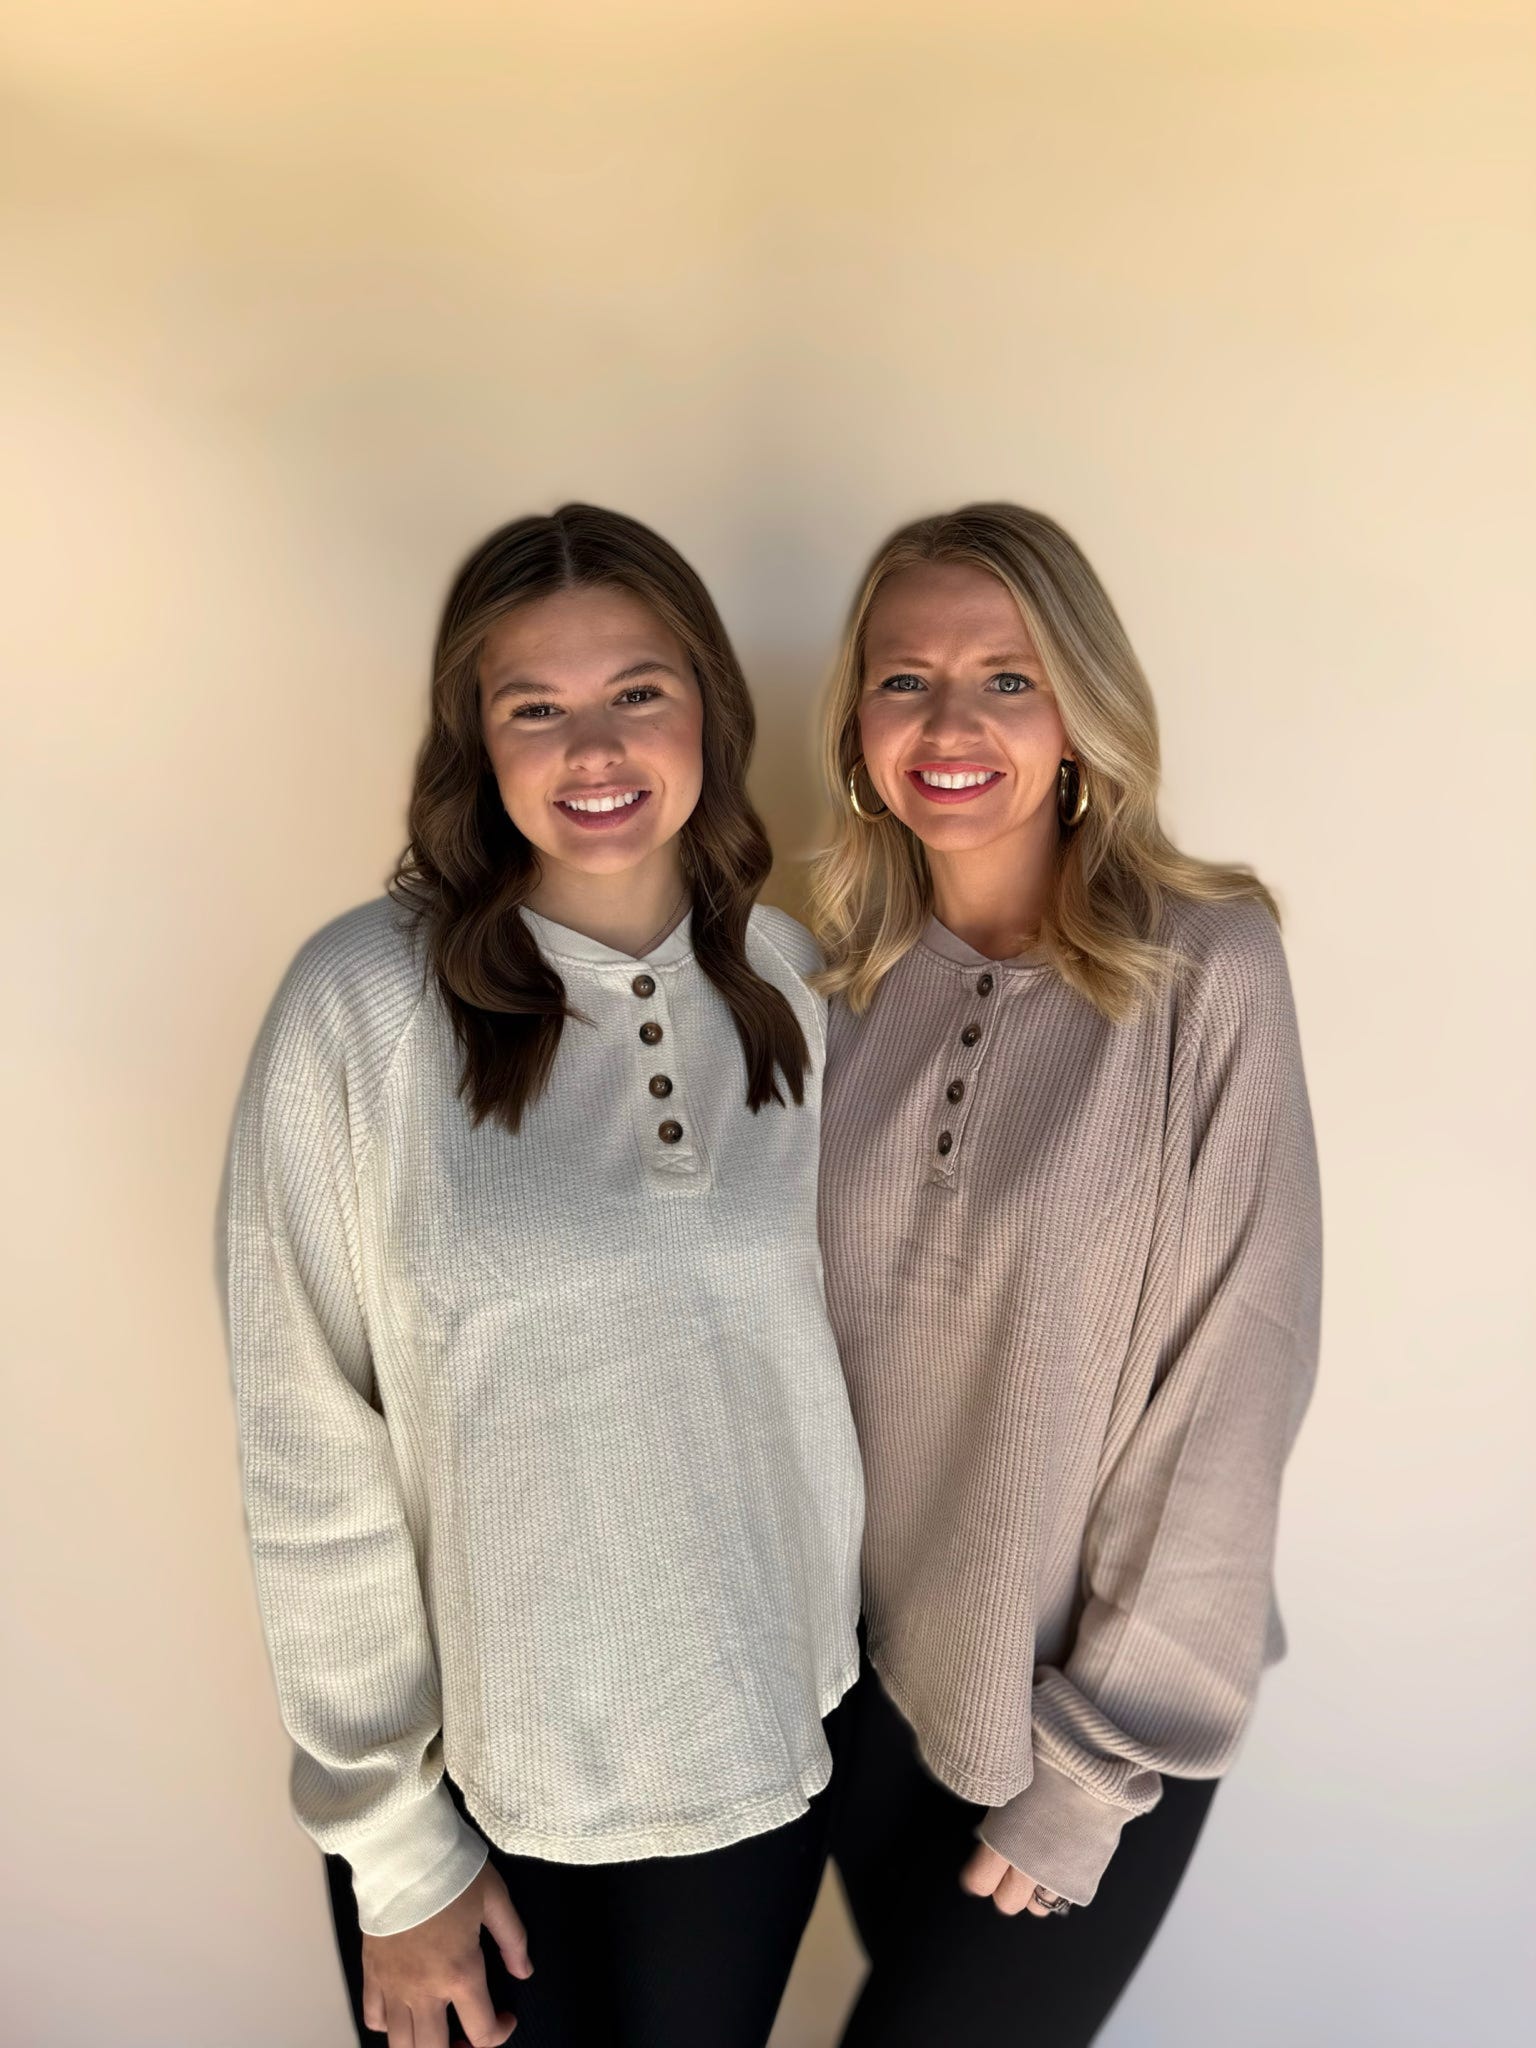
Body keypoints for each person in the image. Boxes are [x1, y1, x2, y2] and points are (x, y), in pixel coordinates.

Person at [217, 503, 864, 2048]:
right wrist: (395, 1853)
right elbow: (307, 1447)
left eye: (638, 691)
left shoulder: (794, 980)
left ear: (708, 707)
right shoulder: (360, 1004)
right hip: (483, 1808)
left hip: (756, 1758)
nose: (595, 749)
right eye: (535, 708)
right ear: (476, 743)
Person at [808, 502, 1322, 2045]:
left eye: (1007, 679)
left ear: (1080, 714)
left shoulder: (1205, 966)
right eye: (904, 681)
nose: (950, 725)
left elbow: (1239, 1376)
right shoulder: (815, 986)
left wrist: (1092, 1770)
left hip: (1097, 1716)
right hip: (864, 1705)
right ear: (857, 730)